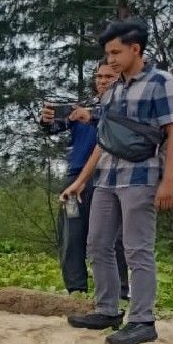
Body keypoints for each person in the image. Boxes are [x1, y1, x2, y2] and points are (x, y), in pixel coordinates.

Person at [62, 19, 173, 344]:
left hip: (142, 175)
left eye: (116, 52)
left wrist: (169, 180)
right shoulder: (114, 89)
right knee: (97, 244)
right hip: (107, 177)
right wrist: (81, 181)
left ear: (135, 49)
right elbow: (105, 139)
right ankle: (107, 309)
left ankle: (143, 320)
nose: (111, 59)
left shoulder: (162, 83)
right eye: (108, 53)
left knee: (137, 248)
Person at [40, 61, 129, 297]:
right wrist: (47, 120)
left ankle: (120, 290)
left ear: (121, 78)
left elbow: (120, 127)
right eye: (99, 76)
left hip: (111, 175)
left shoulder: (125, 106)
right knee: (72, 233)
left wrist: (90, 116)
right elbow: (53, 128)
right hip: (76, 176)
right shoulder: (83, 107)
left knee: (114, 236)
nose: (102, 81)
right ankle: (76, 289)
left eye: (108, 77)